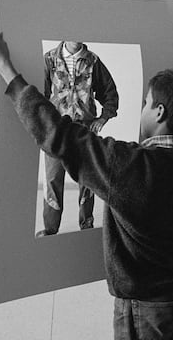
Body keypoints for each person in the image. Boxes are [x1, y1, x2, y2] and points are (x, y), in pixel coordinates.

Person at [0, 32, 173, 340]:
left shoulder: (129, 167)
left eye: (146, 103)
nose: (142, 108)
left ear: (159, 112)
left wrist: (7, 70)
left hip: (145, 309)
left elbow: (60, 136)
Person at [40, 40, 119, 235]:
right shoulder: (49, 59)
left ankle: (86, 226)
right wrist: (43, 123)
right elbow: (41, 94)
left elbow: (110, 93)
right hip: (56, 131)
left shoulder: (93, 61)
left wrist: (103, 118)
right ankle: (50, 229)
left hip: (84, 131)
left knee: (87, 180)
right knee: (53, 179)